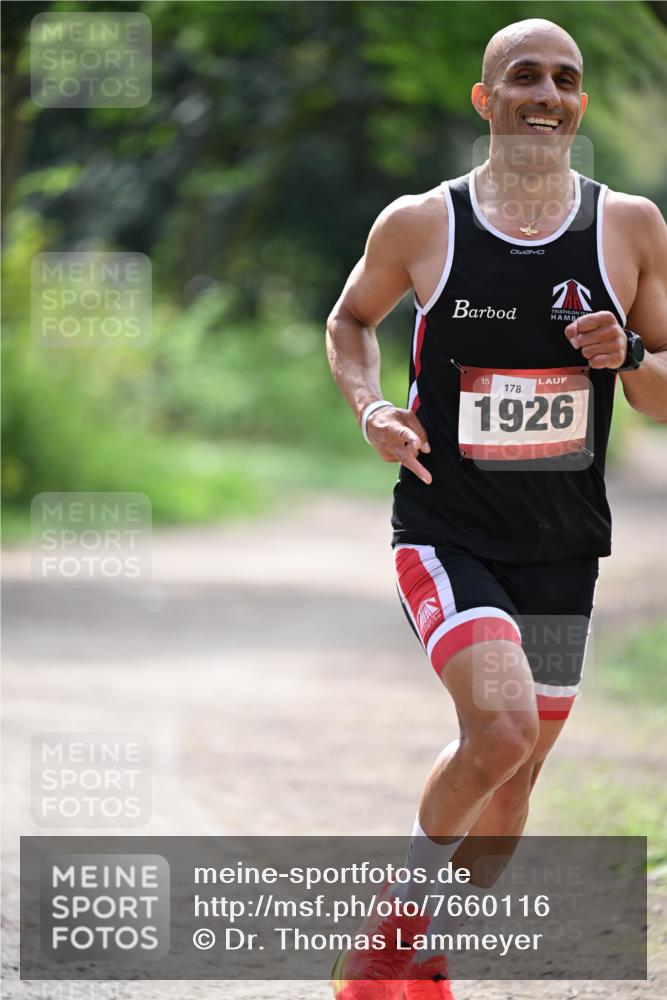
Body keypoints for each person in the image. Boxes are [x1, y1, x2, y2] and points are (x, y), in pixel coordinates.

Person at [326, 17, 667, 1000]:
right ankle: (381, 951)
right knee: (503, 727)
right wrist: (372, 406)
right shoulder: (421, 223)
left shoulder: (632, 228)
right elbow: (351, 318)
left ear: (580, 106)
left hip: (564, 549)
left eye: (565, 79)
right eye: (524, 75)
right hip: (445, 531)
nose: (545, 92)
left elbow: (661, 389)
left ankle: (422, 952)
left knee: (513, 777)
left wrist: (631, 359)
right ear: (487, 99)